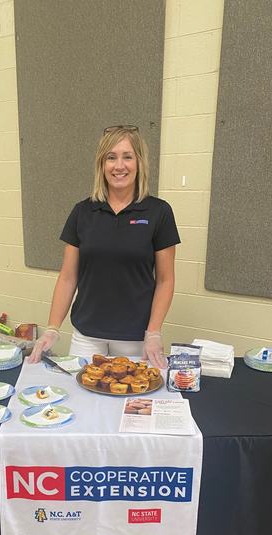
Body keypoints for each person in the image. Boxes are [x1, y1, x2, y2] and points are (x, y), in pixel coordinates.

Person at [28, 125, 180, 368]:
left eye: (127, 157)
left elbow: (165, 280)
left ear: (139, 162)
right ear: (101, 164)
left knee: (130, 401)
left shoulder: (159, 212)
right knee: (82, 402)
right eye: (111, 157)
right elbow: (68, 277)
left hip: (136, 339)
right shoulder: (82, 212)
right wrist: (53, 328)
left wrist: (154, 332)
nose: (119, 166)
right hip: (86, 336)